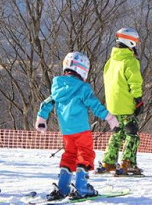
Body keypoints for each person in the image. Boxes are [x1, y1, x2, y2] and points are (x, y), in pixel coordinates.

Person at [36, 52, 119, 200]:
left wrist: (41, 118)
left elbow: (47, 103)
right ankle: (81, 187)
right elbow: (95, 106)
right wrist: (111, 118)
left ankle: (62, 187)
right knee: (85, 154)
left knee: (69, 155)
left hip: (66, 131)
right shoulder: (83, 88)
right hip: (81, 130)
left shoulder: (57, 86)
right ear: (83, 70)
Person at [98, 28, 145, 175]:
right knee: (132, 133)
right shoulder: (130, 61)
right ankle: (128, 162)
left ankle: (108, 162)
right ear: (130, 41)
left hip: (113, 105)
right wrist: (138, 100)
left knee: (117, 133)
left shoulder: (110, 61)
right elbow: (135, 82)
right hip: (126, 104)